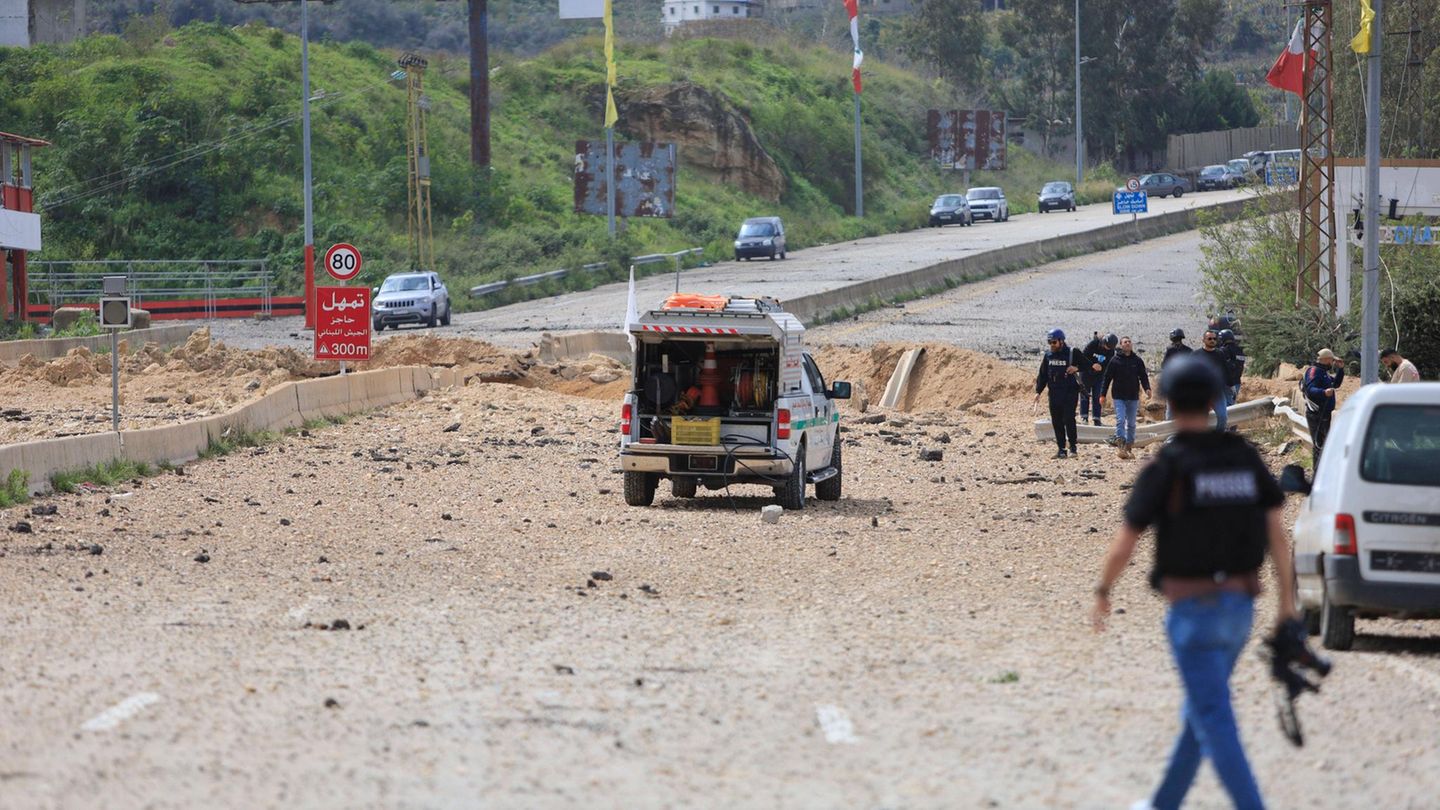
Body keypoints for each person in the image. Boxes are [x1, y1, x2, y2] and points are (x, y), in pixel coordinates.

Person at [1092, 354, 1297, 810]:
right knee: (1202, 711)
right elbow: (1278, 539)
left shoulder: (1169, 464)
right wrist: (1287, 603)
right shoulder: (1244, 457)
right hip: (1240, 609)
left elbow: (1126, 541)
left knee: (1212, 716)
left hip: (1194, 612)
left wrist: (1103, 590)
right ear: (1212, 400)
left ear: (1166, 401)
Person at [1034, 328, 1085, 459]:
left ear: (1061, 341)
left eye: (1054, 342)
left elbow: (1088, 365)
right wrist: (1038, 391)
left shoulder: (1072, 353)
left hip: (1070, 392)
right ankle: (1061, 449)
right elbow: (1043, 375)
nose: (1052, 345)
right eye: (1049, 342)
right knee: (1056, 421)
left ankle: (1073, 447)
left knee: (1068, 419)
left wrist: (1077, 368)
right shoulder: (1048, 356)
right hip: (1054, 393)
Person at [1100, 336, 1151, 459]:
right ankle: (1121, 446)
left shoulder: (1137, 360)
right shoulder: (1115, 361)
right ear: (1121, 345)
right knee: (1121, 420)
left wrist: (1147, 388)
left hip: (1133, 396)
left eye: (1129, 342)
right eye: (1125, 342)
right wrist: (1102, 394)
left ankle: (1129, 446)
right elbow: (1107, 378)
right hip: (1119, 396)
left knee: (1132, 424)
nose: (1127, 344)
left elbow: (1143, 376)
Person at [1302, 348, 1343, 466]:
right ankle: (1317, 473)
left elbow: (1335, 384)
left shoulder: (1322, 372)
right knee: (1319, 444)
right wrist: (1324, 392)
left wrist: (1340, 370)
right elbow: (1310, 389)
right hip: (1316, 414)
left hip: (1324, 414)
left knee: (1325, 444)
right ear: (1326, 360)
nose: (1332, 363)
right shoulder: (1314, 371)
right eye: (1331, 360)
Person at [1081, 332, 1118, 426]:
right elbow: (1082, 356)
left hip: (1099, 375)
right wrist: (1092, 365)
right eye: (1106, 346)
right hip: (1086, 373)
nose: (1106, 348)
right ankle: (1084, 417)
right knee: (1085, 395)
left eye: (1109, 347)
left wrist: (1101, 367)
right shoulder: (1094, 343)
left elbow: (1108, 364)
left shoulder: (1111, 351)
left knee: (1097, 396)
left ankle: (1096, 418)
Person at [1197, 330, 1230, 431]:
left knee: (1223, 417)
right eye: (1209, 338)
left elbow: (1225, 370)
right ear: (1203, 340)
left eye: (1214, 339)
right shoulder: (1196, 355)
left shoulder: (1220, 354)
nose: (1212, 340)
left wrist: (1231, 385)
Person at [1219, 329, 1245, 405]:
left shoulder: (1223, 351)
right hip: (1237, 382)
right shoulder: (1240, 350)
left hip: (1226, 382)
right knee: (1231, 403)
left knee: (1225, 404)